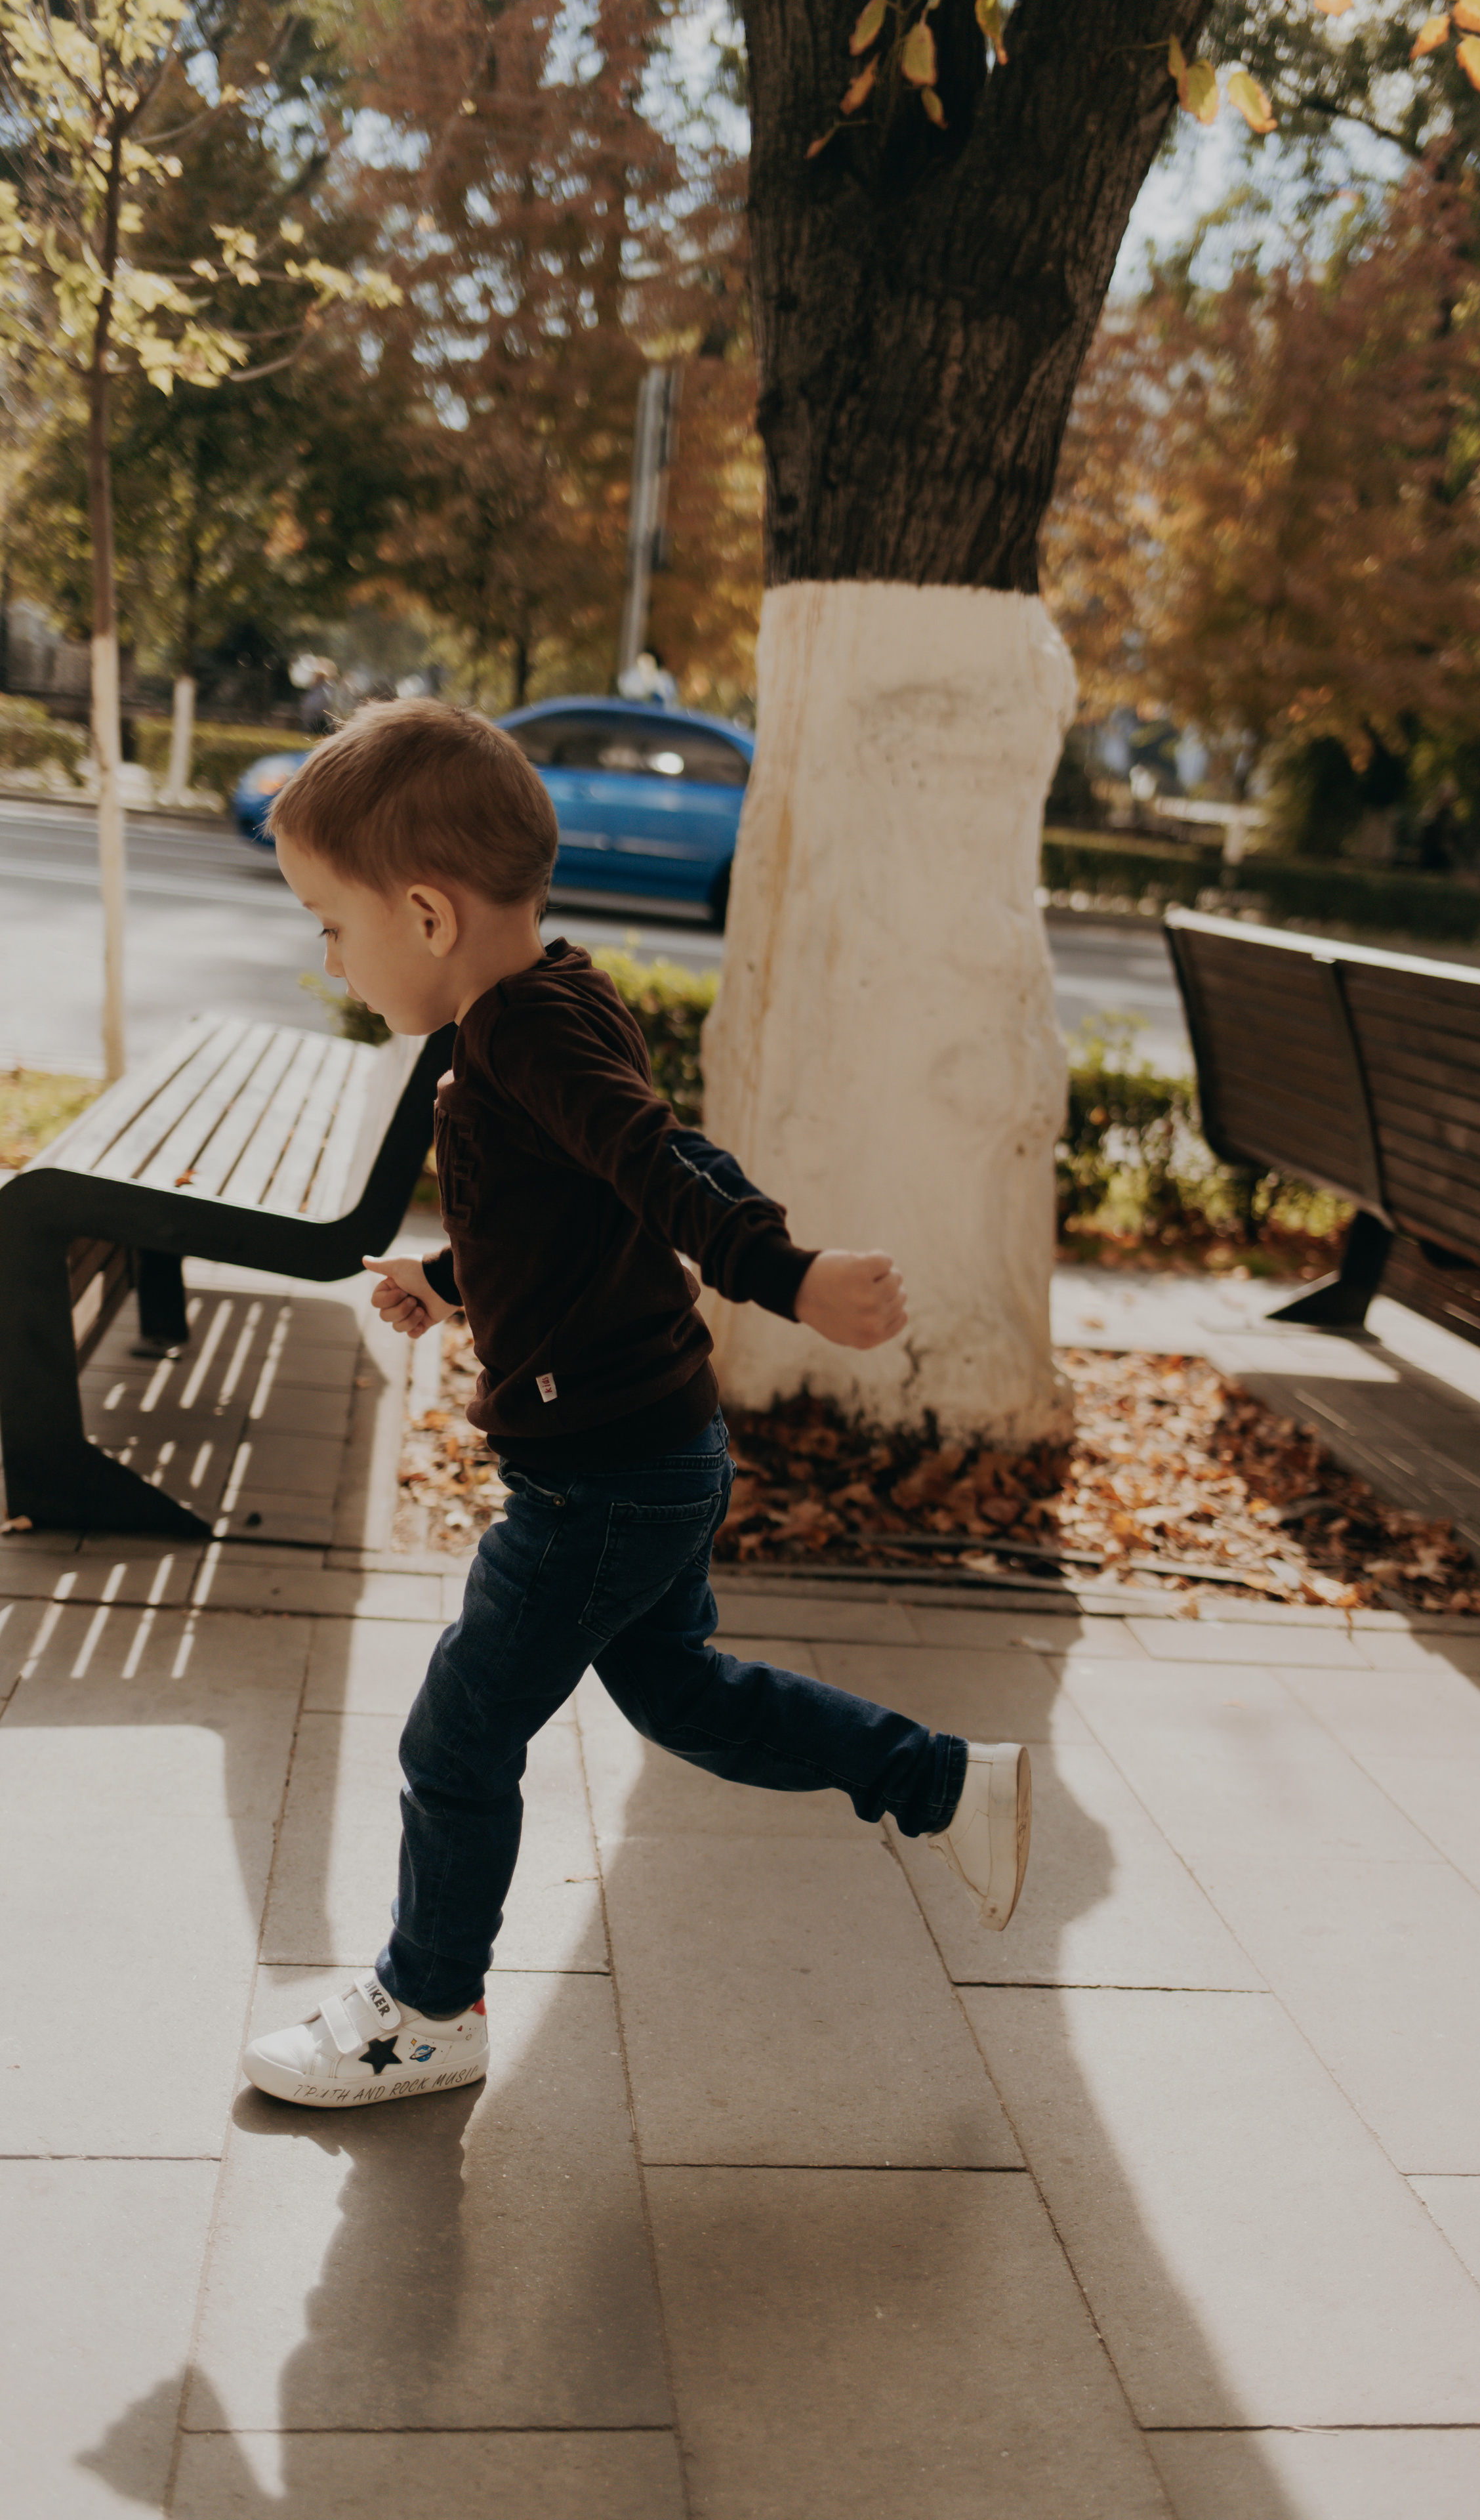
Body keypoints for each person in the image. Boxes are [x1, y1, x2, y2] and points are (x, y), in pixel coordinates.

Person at [241, 698, 1031, 2108]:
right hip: (652, 1446)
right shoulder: (550, 999)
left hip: (599, 1475)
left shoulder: (517, 1039)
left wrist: (782, 1276)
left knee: (456, 1737)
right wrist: (445, 1272)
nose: (330, 954)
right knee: (681, 1698)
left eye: (329, 923)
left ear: (425, 915)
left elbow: (663, 1169)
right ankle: (944, 1783)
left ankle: (427, 2008)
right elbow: (580, 1204)